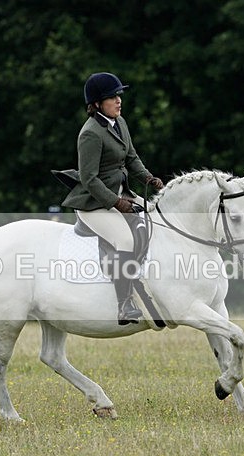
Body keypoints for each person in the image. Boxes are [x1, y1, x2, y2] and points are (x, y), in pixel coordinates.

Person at [62, 72, 164, 325]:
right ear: (96, 103)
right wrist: (117, 203)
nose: (118, 100)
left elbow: (131, 158)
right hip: (94, 202)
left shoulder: (120, 122)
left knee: (157, 216)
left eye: (118, 95)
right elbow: (89, 179)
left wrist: (149, 179)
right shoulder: (90, 133)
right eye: (111, 97)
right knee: (124, 239)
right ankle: (124, 305)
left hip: (120, 192)